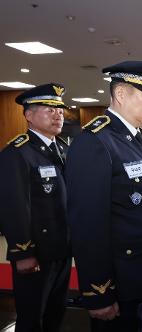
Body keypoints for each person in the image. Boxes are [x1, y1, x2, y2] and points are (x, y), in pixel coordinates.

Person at [65, 60, 142, 332]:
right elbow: (88, 226)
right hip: (122, 285)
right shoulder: (95, 142)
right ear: (122, 94)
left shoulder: (137, 138)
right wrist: (99, 293)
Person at [0, 84, 71, 332]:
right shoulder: (17, 153)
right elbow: (13, 206)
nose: (58, 115)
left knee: (55, 311)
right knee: (32, 318)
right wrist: (23, 253)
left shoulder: (62, 149)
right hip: (36, 253)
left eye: (60, 110)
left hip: (62, 247)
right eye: (49, 110)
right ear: (28, 115)